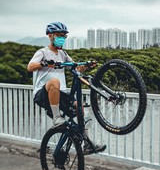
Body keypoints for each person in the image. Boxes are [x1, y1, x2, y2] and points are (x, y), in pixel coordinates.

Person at [27, 21, 106, 155]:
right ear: (50, 36)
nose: (61, 38)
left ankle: (86, 143)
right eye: (59, 35)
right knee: (54, 82)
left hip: (60, 94)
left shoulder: (63, 54)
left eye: (64, 36)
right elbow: (30, 67)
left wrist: (86, 65)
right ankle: (57, 118)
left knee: (81, 108)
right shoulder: (42, 52)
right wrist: (44, 63)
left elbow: (74, 67)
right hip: (43, 93)